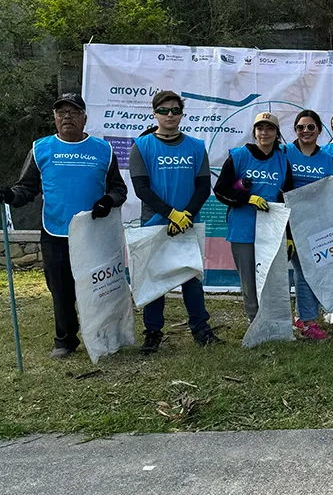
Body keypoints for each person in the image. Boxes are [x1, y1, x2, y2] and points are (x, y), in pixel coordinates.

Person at [0, 93, 128, 358]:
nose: (66, 117)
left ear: (84, 118)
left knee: (97, 288)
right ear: (55, 119)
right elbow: (27, 188)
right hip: (55, 231)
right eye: (61, 112)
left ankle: (103, 335)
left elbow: (119, 189)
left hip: (94, 232)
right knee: (60, 289)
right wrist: (11, 195)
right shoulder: (41, 149)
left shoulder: (103, 150)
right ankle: (65, 340)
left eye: (73, 112)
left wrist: (108, 200)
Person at [129, 90, 222, 354]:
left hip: (187, 223)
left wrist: (186, 215)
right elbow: (141, 189)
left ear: (181, 114)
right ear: (154, 113)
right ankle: (153, 332)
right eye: (164, 110)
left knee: (191, 278)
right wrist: (171, 214)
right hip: (155, 223)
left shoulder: (195, 146)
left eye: (175, 110)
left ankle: (201, 330)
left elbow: (203, 186)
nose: (170, 115)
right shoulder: (141, 145)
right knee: (155, 280)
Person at [213, 112, 292, 324]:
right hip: (243, 228)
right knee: (249, 279)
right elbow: (220, 191)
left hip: (272, 231)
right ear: (254, 132)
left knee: (270, 278)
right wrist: (248, 198)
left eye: (269, 128)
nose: (264, 132)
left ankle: (273, 319)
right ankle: (254, 321)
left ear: (277, 134)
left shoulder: (283, 161)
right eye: (260, 128)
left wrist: (289, 234)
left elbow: (288, 200)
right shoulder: (239, 156)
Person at [283, 109, 333, 340]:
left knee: (307, 273)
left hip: (313, 226)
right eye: (300, 127)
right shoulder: (284, 153)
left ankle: (306, 321)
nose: (305, 131)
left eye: (310, 127)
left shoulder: (327, 158)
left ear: (318, 130)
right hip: (284, 223)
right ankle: (276, 319)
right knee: (278, 275)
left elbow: (331, 192)